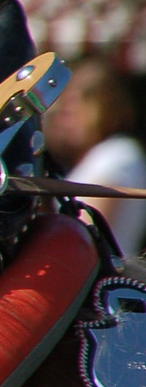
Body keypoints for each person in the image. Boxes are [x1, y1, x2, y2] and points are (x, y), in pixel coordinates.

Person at [44, 57, 146, 255]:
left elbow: (85, 233)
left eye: (75, 108)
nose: (66, 120)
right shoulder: (97, 156)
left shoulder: (116, 154)